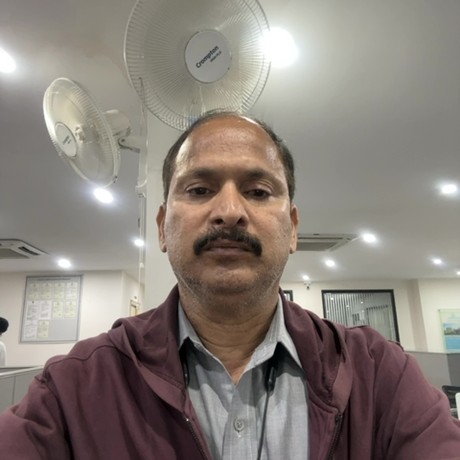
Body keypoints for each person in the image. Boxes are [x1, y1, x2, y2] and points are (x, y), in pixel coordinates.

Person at [0, 111, 459, 459]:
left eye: (258, 192)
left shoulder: (382, 376)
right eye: (199, 190)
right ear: (161, 227)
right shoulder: (73, 388)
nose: (229, 212)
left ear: (293, 228)